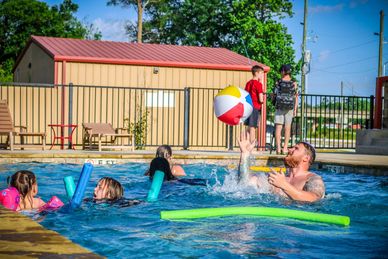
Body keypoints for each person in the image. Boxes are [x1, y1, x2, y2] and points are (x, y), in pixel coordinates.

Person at [238, 131, 325, 202]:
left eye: (296, 148)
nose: (289, 149)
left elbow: (314, 198)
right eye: (292, 147)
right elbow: (245, 183)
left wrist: (284, 185)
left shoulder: (313, 179)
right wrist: (245, 154)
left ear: (306, 158)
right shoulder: (278, 177)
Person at [272, 64, 298, 155]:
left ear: (283, 71)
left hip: (279, 107)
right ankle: (285, 148)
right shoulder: (294, 83)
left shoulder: (278, 82)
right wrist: (295, 109)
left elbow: (274, 94)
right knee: (287, 128)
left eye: (281, 71)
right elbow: (296, 97)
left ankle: (278, 148)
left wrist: (273, 101)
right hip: (289, 108)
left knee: (278, 127)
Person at [244, 65, 264, 143]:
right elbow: (261, 99)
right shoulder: (258, 84)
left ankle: (246, 144)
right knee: (253, 128)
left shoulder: (248, 83)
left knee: (248, 127)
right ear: (256, 73)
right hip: (255, 107)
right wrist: (262, 100)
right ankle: (252, 147)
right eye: (261, 73)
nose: (262, 75)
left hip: (248, 107)